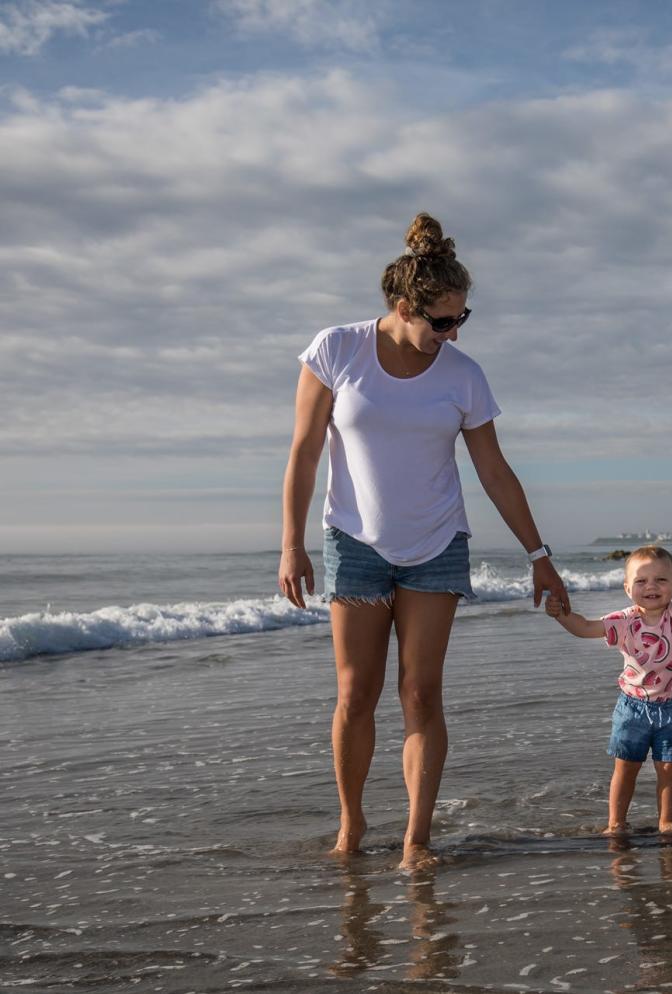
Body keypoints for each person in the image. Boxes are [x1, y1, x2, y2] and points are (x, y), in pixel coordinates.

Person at [278, 212, 569, 869]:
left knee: (421, 693)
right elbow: (302, 453)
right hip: (355, 540)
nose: (454, 332)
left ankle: (416, 839)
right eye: (442, 320)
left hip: (438, 543)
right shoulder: (337, 350)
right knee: (356, 693)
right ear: (405, 307)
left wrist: (539, 555)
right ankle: (351, 827)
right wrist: (291, 545)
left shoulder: (462, 374)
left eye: (463, 318)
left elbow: (495, 471)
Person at [544, 545, 672, 836]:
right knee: (625, 768)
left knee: (669, 770)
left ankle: (666, 822)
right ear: (628, 587)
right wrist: (561, 615)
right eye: (641, 581)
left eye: (661, 580)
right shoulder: (624, 621)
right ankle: (616, 822)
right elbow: (585, 627)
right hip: (632, 708)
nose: (651, 587)